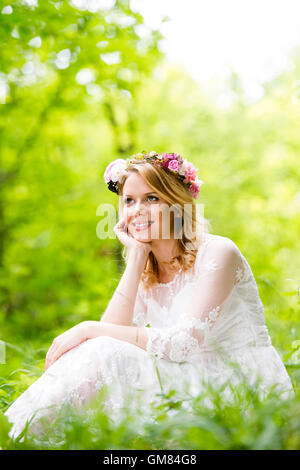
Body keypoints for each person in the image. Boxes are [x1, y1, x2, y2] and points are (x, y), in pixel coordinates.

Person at [4, 151, 294, 440]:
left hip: (234, 382)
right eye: (129, 200)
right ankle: (17, 435)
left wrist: (87, 328)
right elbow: (111, 334)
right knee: (101, 349)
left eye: (151, 198)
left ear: (177, 205)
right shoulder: (147, 268)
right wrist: (136, 258)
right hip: (186, 374)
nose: (137, 209)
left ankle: (18, 437)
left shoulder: (218, 252)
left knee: (100, 347)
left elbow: (182, 345)